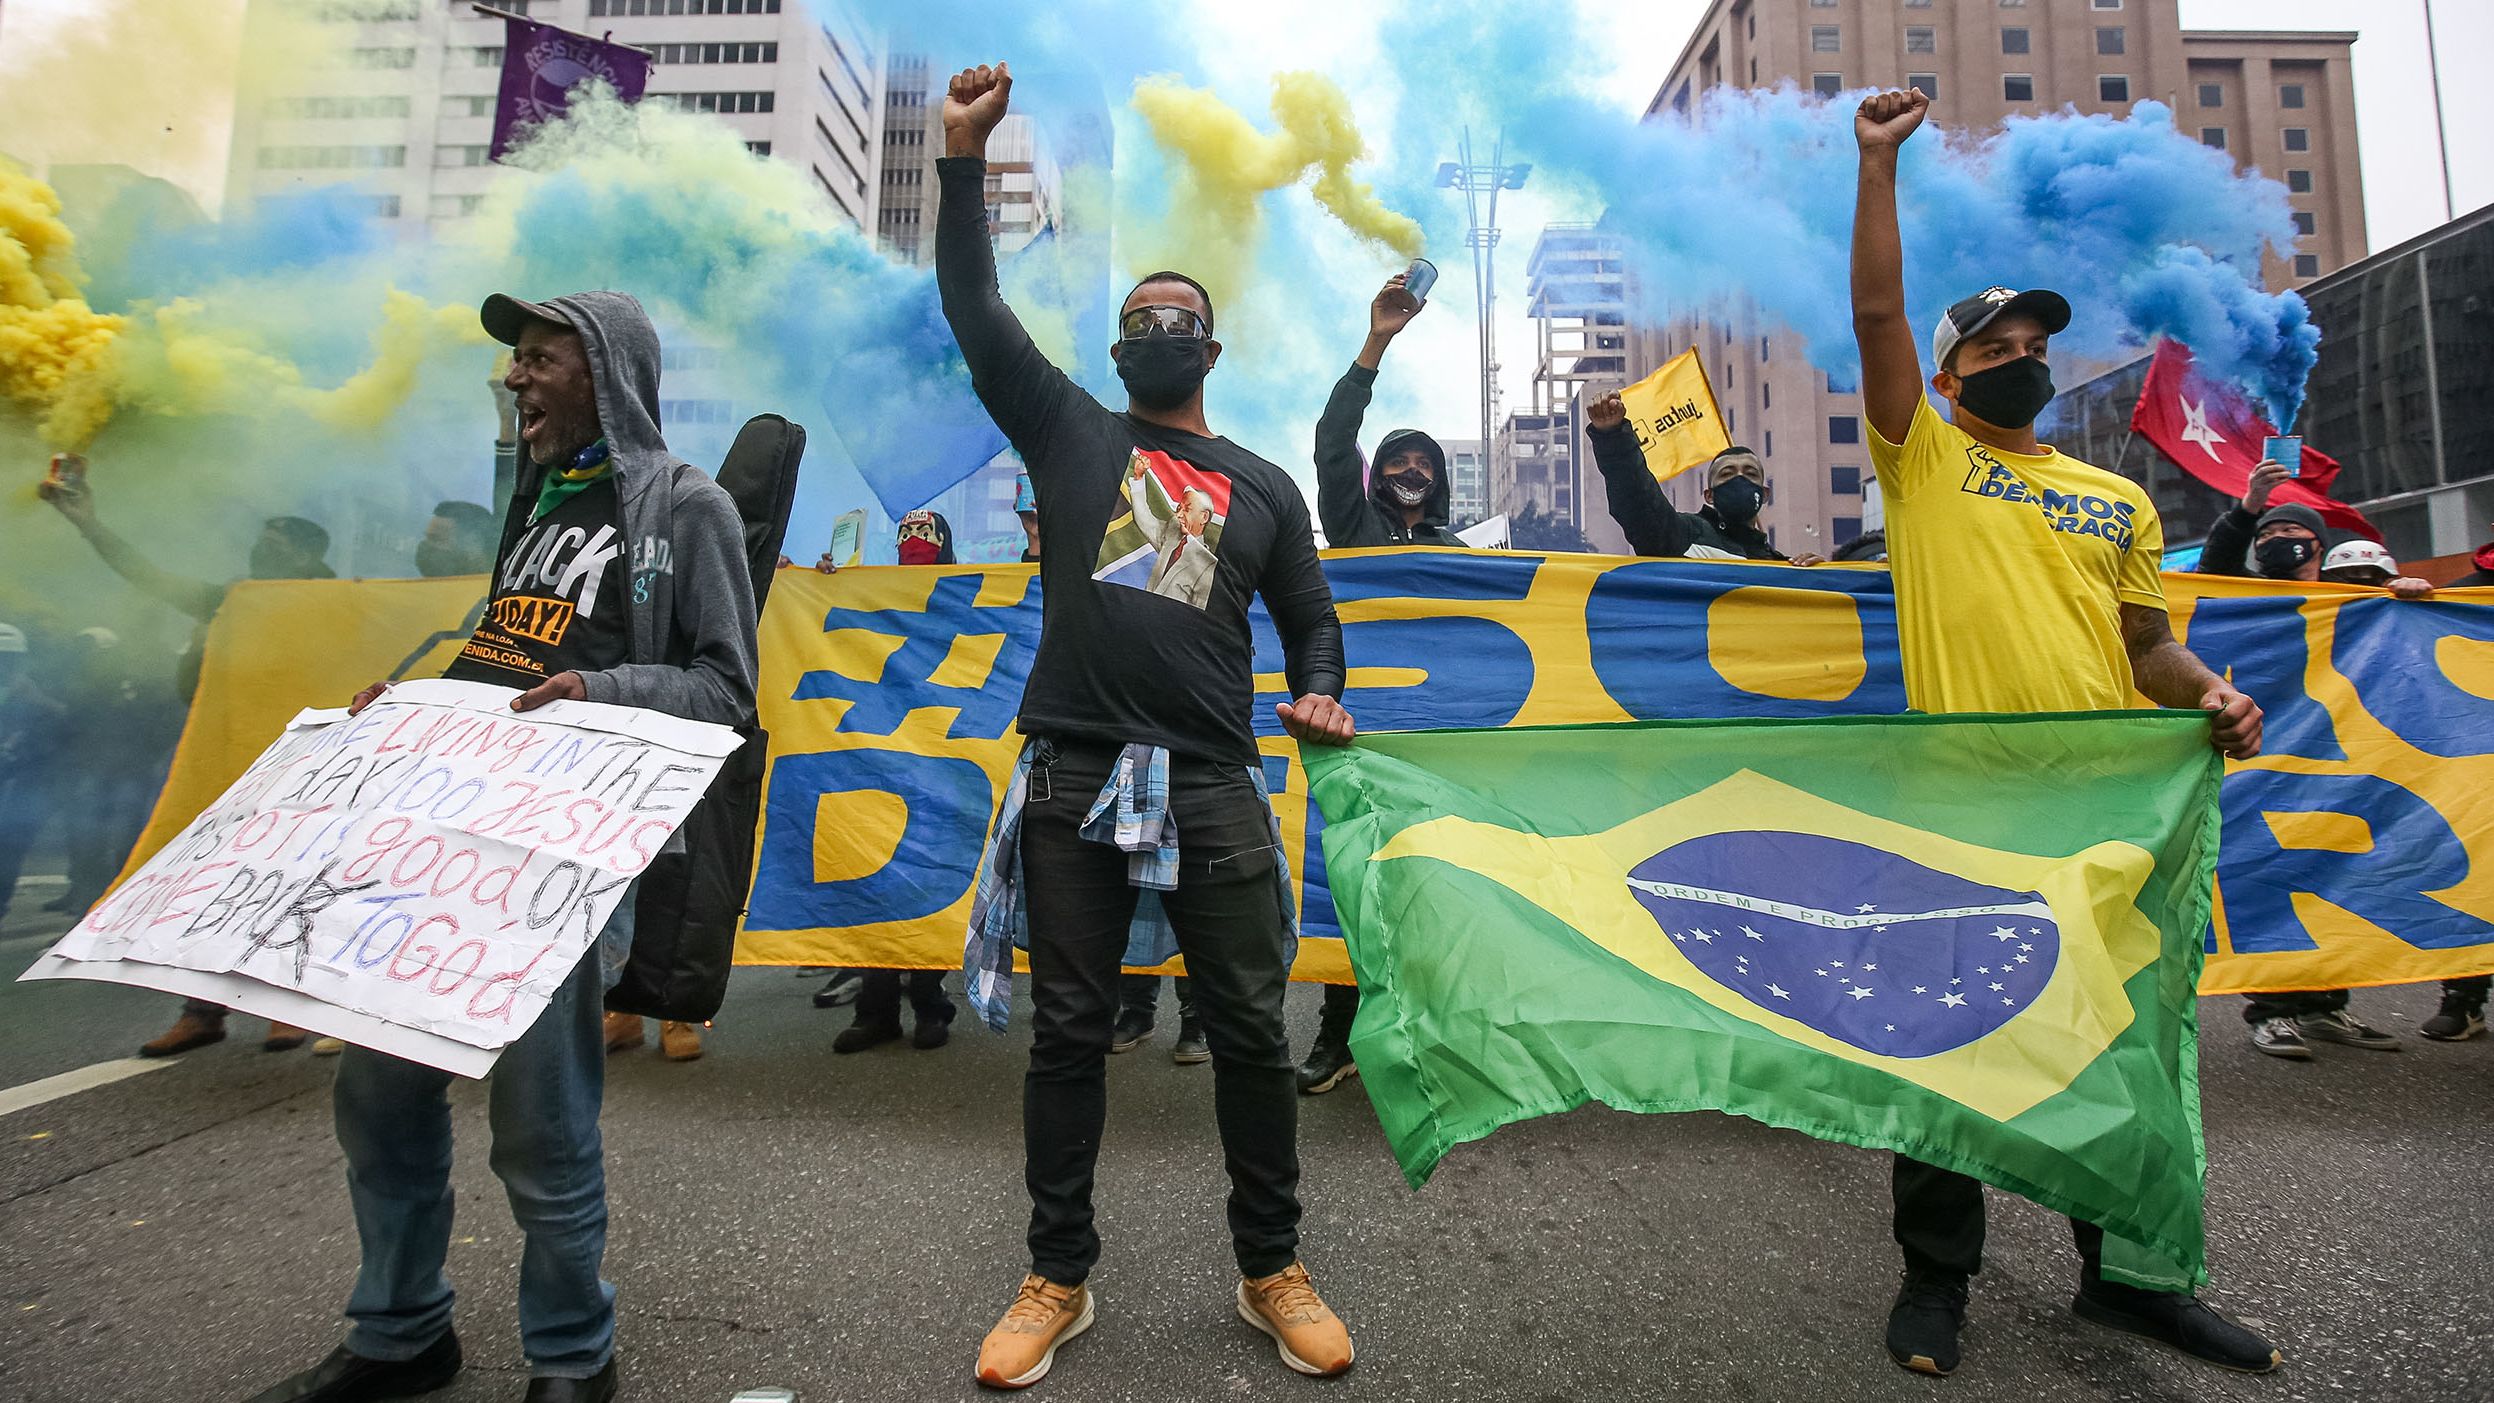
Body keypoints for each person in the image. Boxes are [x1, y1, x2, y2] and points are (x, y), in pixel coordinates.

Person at [244, 289, 758, 1403]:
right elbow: (505, 664)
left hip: (554, 857)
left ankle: (573, 1353)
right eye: (512, 362)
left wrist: (599, 688)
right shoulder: (534, 502)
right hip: (440, 835)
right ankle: (400, 1332)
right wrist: (412, 705)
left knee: (541, 1121)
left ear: (608, 371)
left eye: (538, 358)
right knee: (377, 1097)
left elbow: (727, 690)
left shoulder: (687, 506)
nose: (514, 380)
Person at [939, 61, 1359, 1390]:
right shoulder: (1067, 429)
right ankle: (1054, 1276)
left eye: (1178, 315)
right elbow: (971, 299)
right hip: (1071, 773)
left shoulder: (1261, 483)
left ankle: (1270, 1264)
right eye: (1137, 316)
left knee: (1249, 1026)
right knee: (1071, 1031)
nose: (1156, 326)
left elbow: (1310, 616)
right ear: (1117, 352)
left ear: (1210, 350)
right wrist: (961, 156)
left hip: (1216, 785)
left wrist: (1321, 684)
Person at [1851, 86, 2276, 1379]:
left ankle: (2126, 1274)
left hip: (2099, 811)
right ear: (1948, 375)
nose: (2023, 355)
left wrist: (2206, 691)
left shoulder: (2112, 499)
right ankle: (1935, 1279)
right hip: (1960, 808)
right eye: (1997, 345)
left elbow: (2147, 649)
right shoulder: (1918, 456)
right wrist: (1876, 168)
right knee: (1944, 1054)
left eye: (2037, 339)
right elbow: (1874, 312)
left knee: (2110, 1047)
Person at [44, 475, 329, 1056]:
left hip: (306, 768)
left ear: (305, 555)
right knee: (209, 882)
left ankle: (284, 1007)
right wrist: (88, 523)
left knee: (290, 883)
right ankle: (202, 1010)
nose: (262, 547)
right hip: (227, 760)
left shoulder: (335, 603)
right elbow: (151, 578)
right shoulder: (235, 598)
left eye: (275, 540)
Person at [1288, 269, 1471, 1097]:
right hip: (1357, 731)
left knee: (1430, 887)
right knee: (1353, 881)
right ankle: (1338, 1032)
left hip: (1435, 746)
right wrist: (1375, 346)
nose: (1407, 469)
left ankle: (1427, 1040)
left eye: (1421, 463)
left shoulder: (1466, 558)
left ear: (1440, 482)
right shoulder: (1352, 526)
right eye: (1394, 460)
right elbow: (1333, 440)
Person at [2200, 476, 2405, 1058]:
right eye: (2268, 533)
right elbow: (2216, 562)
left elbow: (2404, 617)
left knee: (2333, 877)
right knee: (2268, 875)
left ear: (2319, 545)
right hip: (2262, 756)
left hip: (2340, 760)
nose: (2279, 538)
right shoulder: (2243, 593)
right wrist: (2246, 510)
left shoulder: (2352, 595)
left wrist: (2410, 590)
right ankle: (2273, 1011)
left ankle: (2326, 1007)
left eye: (2292, 530)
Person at [2311, 540, 2488, 1043]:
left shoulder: (2413, 614)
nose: (2360, 589)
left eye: (2372, 577)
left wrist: (2425, 602)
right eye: (2346, 581)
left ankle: (2464, 997)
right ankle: (2313, 1002)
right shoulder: (2305, 624)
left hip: (2433, 772)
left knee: (2474, 877)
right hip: (2343, 780)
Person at [825, 509, 962, 1053]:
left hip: (940, 763)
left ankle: (930, 1004)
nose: (916, 543)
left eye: (927, 536)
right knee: (875, 884)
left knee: (927, 884)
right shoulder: (875, 597)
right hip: (880, 765)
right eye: (907, 536)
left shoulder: (960, 595)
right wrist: (815, 584)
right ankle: (876, 1011)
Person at [1585, 404, 1827, 564]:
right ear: (1709, 496)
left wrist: (1823, 578)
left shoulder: (1780, 566)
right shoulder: (1683, 535)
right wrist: (1612, 436)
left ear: (1764, 494)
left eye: (1750, 473)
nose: (1739, 479)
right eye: (1727, 473)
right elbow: (1637, 501)